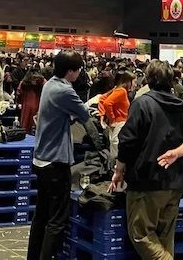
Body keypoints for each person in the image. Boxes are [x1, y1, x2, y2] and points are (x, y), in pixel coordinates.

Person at [111, 60, 183, 260]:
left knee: (141, 235)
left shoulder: (142, 103)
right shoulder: (180, 106)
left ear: (148, 79)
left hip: (148, 181)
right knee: (164, 238)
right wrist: (178, 152)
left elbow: (127, 142)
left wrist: (119, 170)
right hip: (176, 182)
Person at [26, 51, 90, 260]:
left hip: (41, 159)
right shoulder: (65, 91)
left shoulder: (50, 85)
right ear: (71, 71)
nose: (79, 73)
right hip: (55, 162)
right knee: (56, 220)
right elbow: (84, 114)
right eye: (78, 70)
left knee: (41, 216)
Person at [98, 71, 133, 155]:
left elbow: (102, 99)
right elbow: (107, 103)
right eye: (134, 82)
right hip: (119, 122)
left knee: (114, 146)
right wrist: (112, 119)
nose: (135, 84)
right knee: (116, 146)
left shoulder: (119, 90)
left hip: (117, 123)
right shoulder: (122, 91)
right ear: (128, 82)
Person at [17, 69, 46, 135]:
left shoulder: (23, 82)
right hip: (38, 105)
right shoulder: (42, 82)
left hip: (26, 107)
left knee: (25, 126)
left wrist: (18, 102)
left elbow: (19, 94)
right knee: (35, 127)